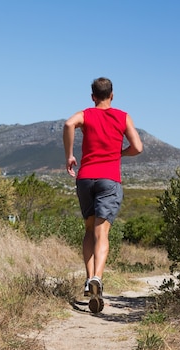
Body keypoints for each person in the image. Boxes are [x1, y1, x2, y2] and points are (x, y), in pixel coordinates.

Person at [62, 77, 143, 309]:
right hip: (109, 179)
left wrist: (69, 155)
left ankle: (89, 281)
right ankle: (98, 277)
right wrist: (120, 153)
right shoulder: (122, 116)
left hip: (86, 177)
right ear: (112, 95)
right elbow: (138, 147)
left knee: (89, 229)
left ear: (92, 96)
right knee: (102, 231)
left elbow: (69, 124)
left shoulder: (86, 114)